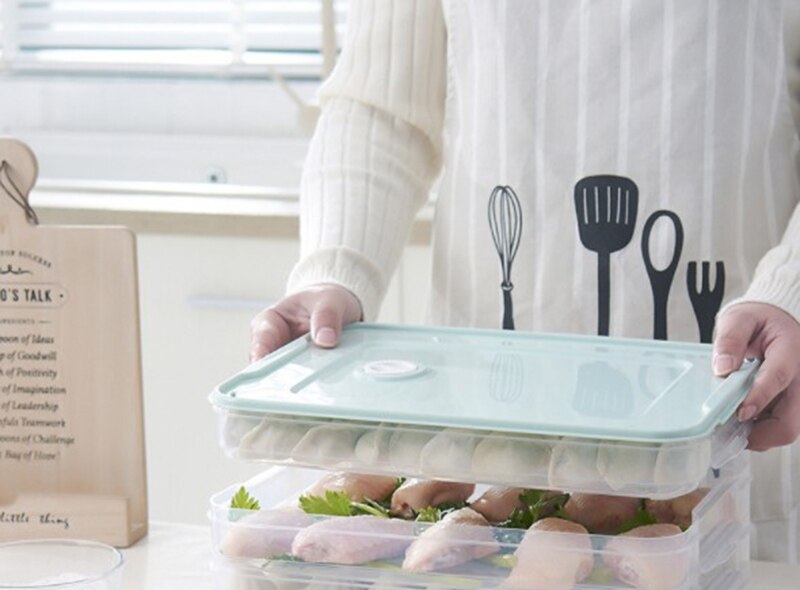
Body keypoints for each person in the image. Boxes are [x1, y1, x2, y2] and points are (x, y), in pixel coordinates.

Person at [250, 1, 800, 561]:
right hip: (483, 423)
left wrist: (791, 291)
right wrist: (335, 269)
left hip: (734, 404)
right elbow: (381, 109)